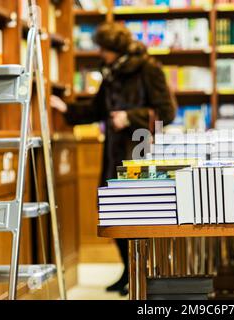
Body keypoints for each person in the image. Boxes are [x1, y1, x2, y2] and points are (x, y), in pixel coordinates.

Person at [51, 22, 177, 295]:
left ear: (114, 49)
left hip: (139, 152)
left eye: (103, 49)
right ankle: (128, 270)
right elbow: (96, 110)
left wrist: (130, 117)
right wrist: (65, 109)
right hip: (114, 154)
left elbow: (167, 111)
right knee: (112, 212)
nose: (100, 54)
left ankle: (141, 274)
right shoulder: (111, 74)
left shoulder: (148, 69)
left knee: (138, 215)